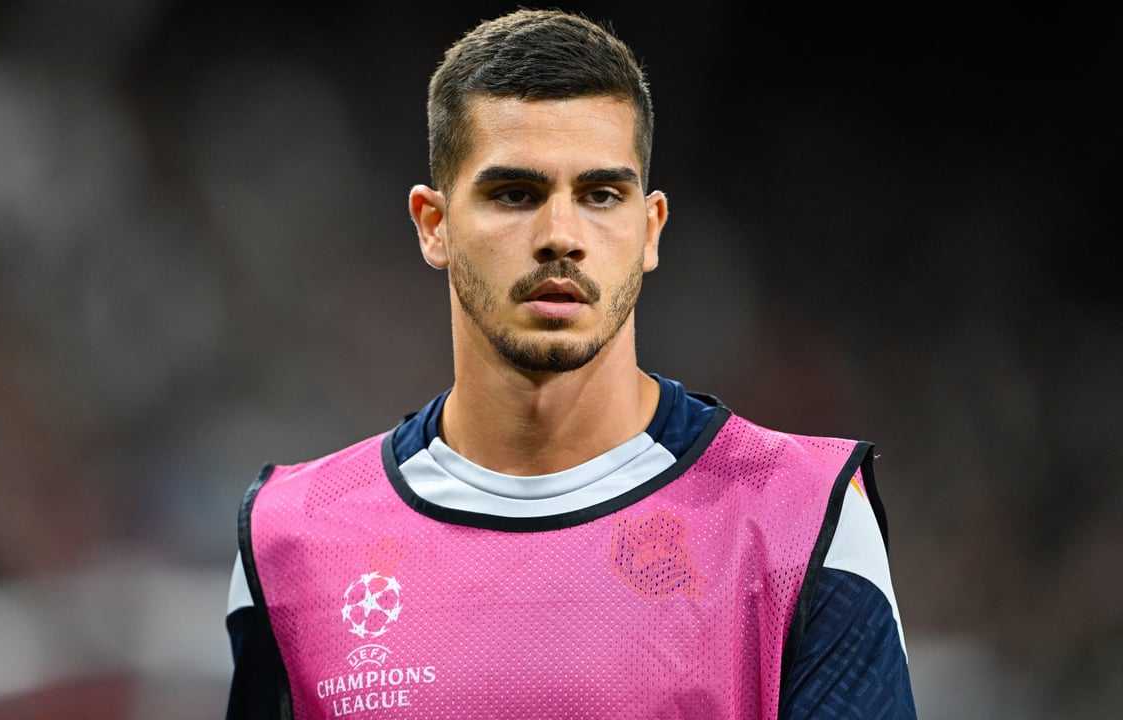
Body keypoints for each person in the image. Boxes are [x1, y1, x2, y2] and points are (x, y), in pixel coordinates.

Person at [225, 9, 915, 719]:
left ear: (649, 230)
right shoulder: (291, 539)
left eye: (601, 195)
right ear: (434, 225)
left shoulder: (803, 518)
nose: (561, 235)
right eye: (515, 194)